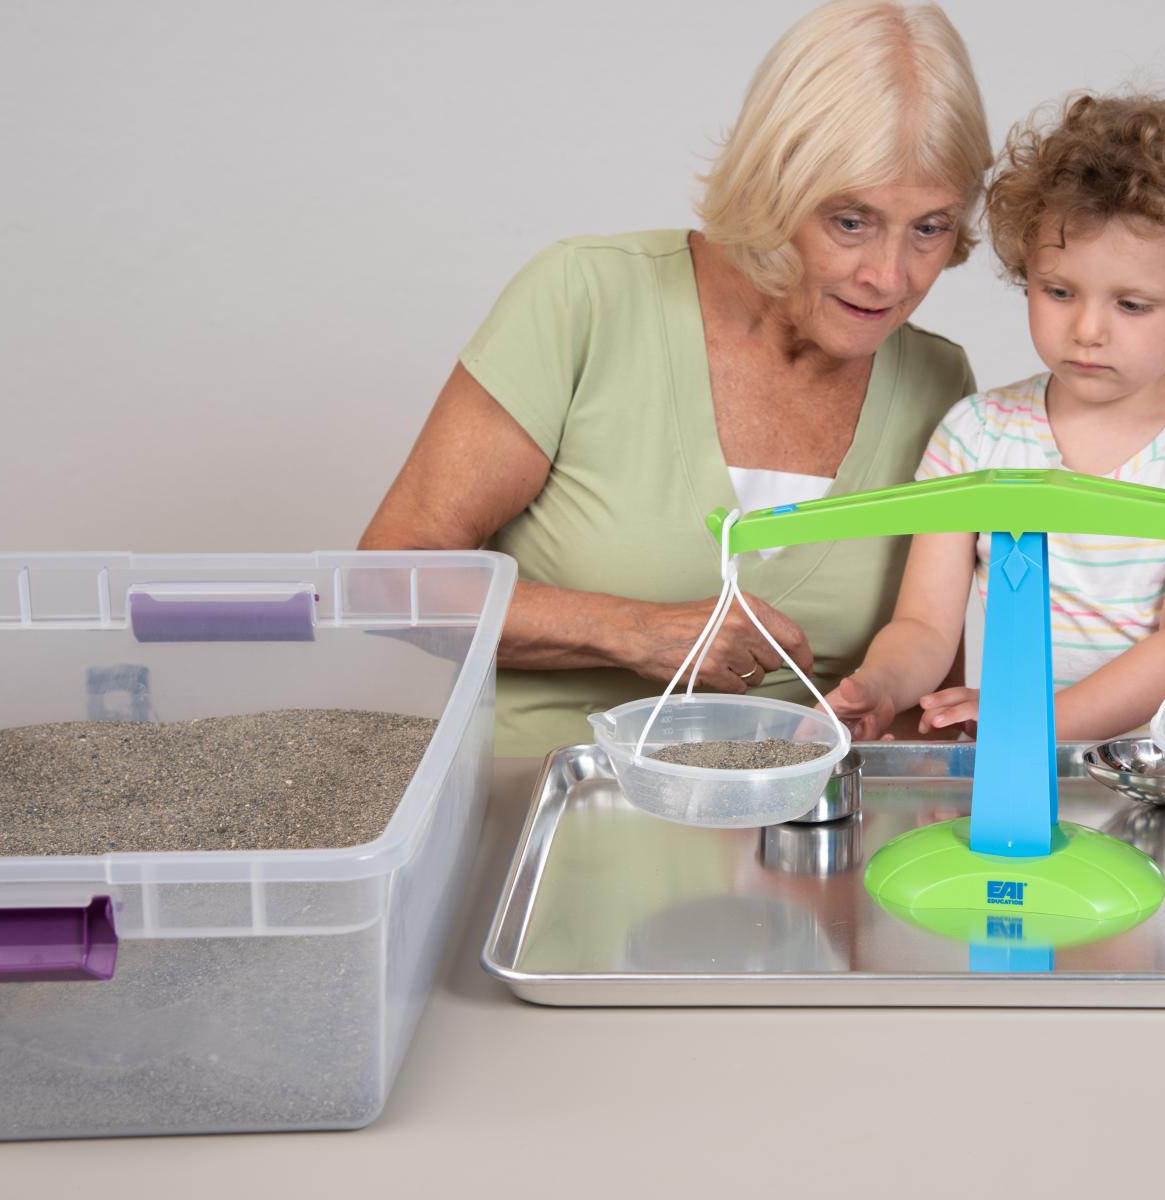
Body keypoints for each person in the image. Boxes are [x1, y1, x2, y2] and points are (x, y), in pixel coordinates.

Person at [359, 1, 990, 755]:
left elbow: (927, 698)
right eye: (850, 222)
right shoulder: (585, 298)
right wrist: (633, 630)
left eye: (930, 227)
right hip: (545, 820)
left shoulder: (937, 380)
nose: (888, 277)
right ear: (773, 186)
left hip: (798, 845)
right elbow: (389, 583)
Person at [825, 91, 1165, 742]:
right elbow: (925, 626)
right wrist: (881, 686)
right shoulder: (977, 434)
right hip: (1023, 761)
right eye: (1059, 292)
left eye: (1132, 305)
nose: (1087, 330)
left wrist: (1037, 722)